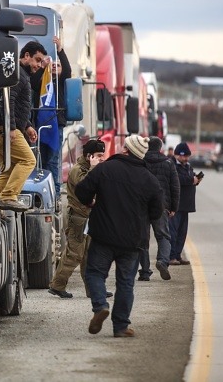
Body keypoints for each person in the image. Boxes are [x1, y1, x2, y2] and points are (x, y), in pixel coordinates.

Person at [75, 135, 163, 338]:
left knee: (95, 273)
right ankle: (121, 326)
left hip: (104, 236)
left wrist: (90, 202)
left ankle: (100, 307)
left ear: (125, 150)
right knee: (125, 283)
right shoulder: (150, 180)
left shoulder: (105, 169)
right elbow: (157, 212)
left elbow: (82, 191)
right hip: (132, 241)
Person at [48, 139, 112, 299]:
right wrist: (93, 169)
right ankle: (57, 285)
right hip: (78, 219)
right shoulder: (78, 170)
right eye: (98, 155)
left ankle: (93, 290)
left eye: (102, 155)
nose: (101, 158)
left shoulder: (91, 169)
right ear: (89, 156)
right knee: (74, 254)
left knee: (90, 257)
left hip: (89, 219)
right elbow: (86, 186)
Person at [0, 41, 47, 211]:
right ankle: (8, 196)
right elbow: (6, 101)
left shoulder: (17, 73)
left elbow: (18, 105)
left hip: (0, 129)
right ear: (26, 55)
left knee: (8, 168)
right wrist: (12, 128)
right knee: (28, 160)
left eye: (41, 62)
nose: (39, 65)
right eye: (37, 60)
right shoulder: (17, 74)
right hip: (5, 129)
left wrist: (28, 126)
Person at [30, 36, 72, 198]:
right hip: (39, 124)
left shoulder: (61, 82)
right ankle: (41, 192)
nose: (55, 67)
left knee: (53, 161)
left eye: (58, 65)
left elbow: (67, 70)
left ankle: (54, 195)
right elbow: (33, 82)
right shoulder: (43, 80)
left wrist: (60, 50)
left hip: (56, 124)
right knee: (39, 159)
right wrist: (43, 68)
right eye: (52, 64)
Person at [138, 137, 180, 281]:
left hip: (142, 205)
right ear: (160, 148)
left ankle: (144, 272)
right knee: (163, 236)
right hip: (161, 205)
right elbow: (175, 187)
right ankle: (162, 261)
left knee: (143, 238)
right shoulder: (168, 163)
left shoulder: (141, 162)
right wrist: (173, 207)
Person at [168, 142, 201, 265]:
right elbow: (177, 179)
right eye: (183, 156)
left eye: (187, 156)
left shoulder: (188, 166)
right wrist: (191, 180)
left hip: (186, 204)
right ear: (177, 155)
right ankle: (171, 256)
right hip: (176, 204)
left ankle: (177, 255)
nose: (185, 158)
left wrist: (196, 180)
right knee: (173, 231)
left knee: (182, 232)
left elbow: (189, 178)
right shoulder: (171, 165)